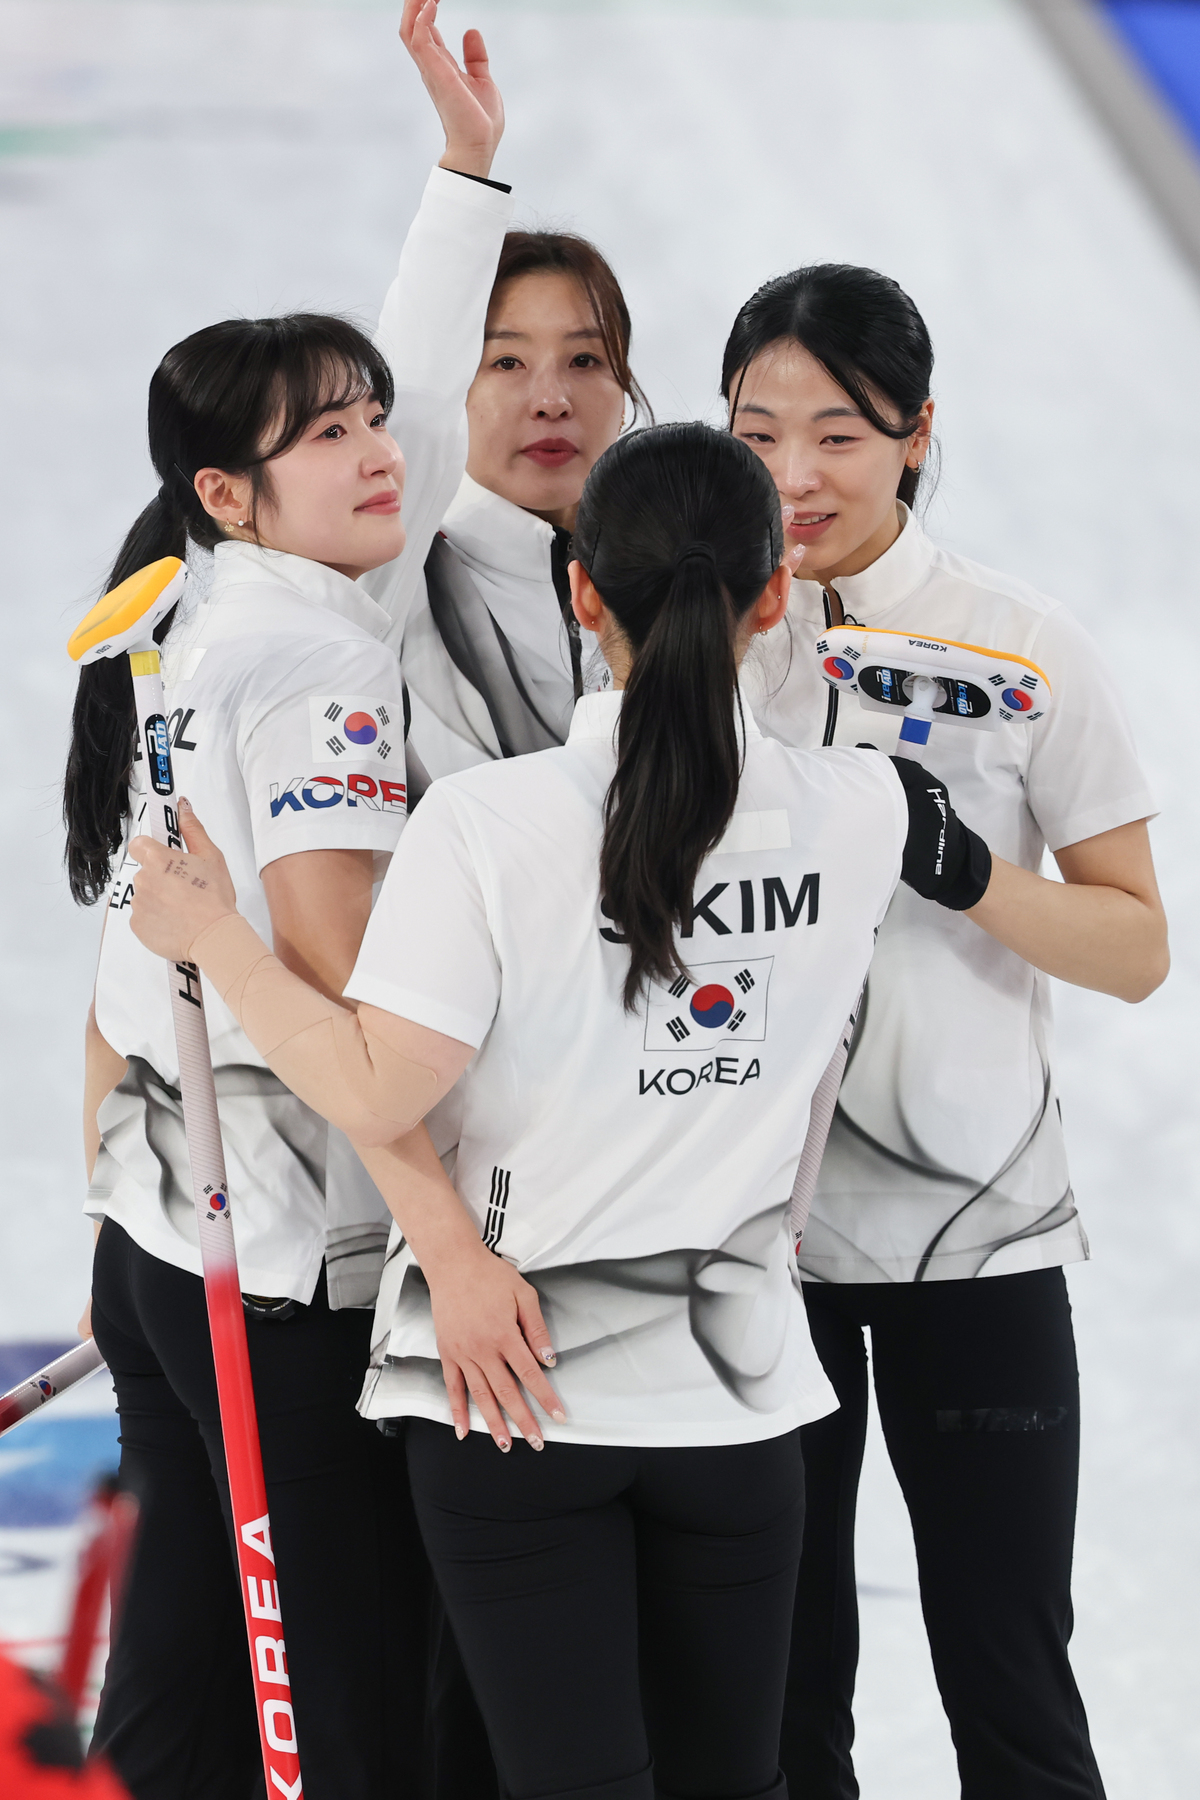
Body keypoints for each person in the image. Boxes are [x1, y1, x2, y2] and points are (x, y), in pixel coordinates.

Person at [125, 422, 995, 1800]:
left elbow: (370, 1087)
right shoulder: (869, 811)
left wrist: (213, 935)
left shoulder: (488, 823)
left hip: (509, 1399)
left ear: (584, 592)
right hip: (737, 1394)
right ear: (775, 593)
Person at [67, 17, 513, 1793]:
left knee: (177, 1685)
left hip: (158, 1238)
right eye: (329, 436)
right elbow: (347, 1012)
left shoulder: (203, 600)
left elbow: (414, 417)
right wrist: (452, 1247)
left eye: (371, 419)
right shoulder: (313, 667)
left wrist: (466, 174)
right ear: (230, 491)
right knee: (348, 1709)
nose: (381, 453)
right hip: (274, 1265)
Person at [722, 264, 1169, 1799]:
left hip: (977, 1238)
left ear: (918, 434)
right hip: (750, 1249)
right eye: (757, 432)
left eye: (839, 436)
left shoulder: (1022, 645)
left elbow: (1137, 946)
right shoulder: (696, 637)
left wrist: (970, 873)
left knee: (1010, 1679)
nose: (794, 475)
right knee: (780, 1700)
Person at [365, 5, 652, 788]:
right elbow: (413, 391)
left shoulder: (676, 572)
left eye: (586, 359)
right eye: (506, 362)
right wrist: (467, 165)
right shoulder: (396, 566)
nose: (552, 400)